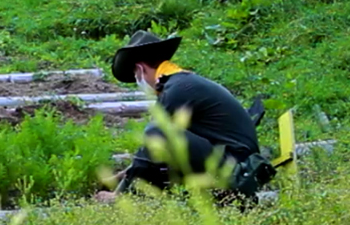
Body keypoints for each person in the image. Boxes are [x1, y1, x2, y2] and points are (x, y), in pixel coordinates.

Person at [96, 31, 272, 203]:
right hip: (233, 161)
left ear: (141, 69)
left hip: (239, 170)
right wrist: (119, 177)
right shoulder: (182, 83)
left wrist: (119, 194)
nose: (138, 81)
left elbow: (154, 139)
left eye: (136, 76)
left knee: (157, 132)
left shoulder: (178, 88)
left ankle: (129, 197)